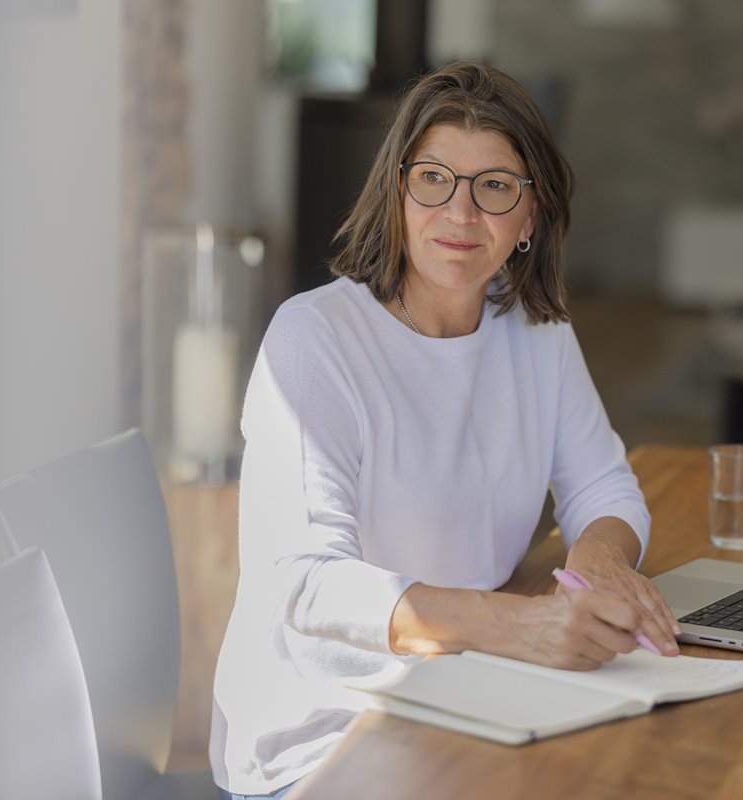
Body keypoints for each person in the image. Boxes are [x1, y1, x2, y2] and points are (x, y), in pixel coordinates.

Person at [210, 62, 681, 799]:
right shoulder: (315, 340)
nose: (461, 215)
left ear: (529, 217)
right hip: (325, 741)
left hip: (469, 700)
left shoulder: (534, 330)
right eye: (434, 179)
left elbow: (601, 482)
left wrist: (603, 567)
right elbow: (307, 586)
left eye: (494, 187)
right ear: (397, 192)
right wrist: (517, 626)